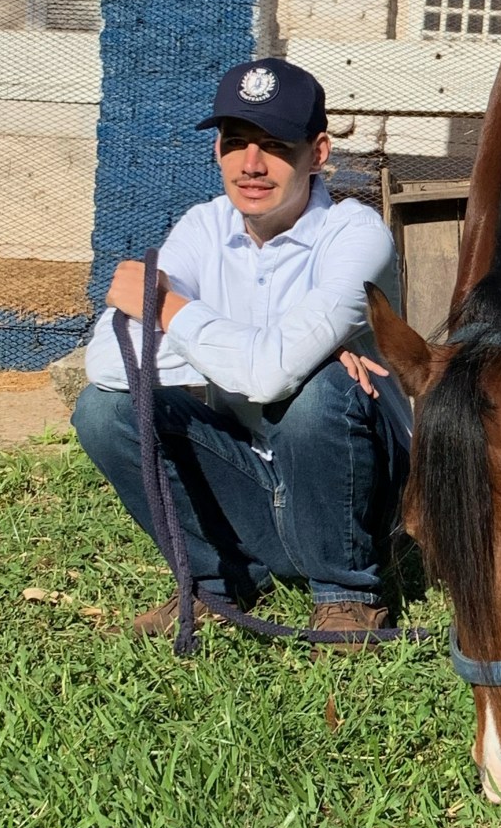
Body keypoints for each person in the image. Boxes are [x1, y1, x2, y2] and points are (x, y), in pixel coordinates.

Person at [72, 57, 411, 647]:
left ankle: (346, 594)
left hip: (356, 489)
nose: (251, 165)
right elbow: (110, 361)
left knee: (317, 393)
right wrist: (265, 354)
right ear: (218, 152)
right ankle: (218, 580)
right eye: (235, 144)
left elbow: (272, 374)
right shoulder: (203, 228)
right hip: (251, 475)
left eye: (275, 146)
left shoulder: (358, 237)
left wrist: (171, 313)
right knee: (103, 411)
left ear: (319, 152)